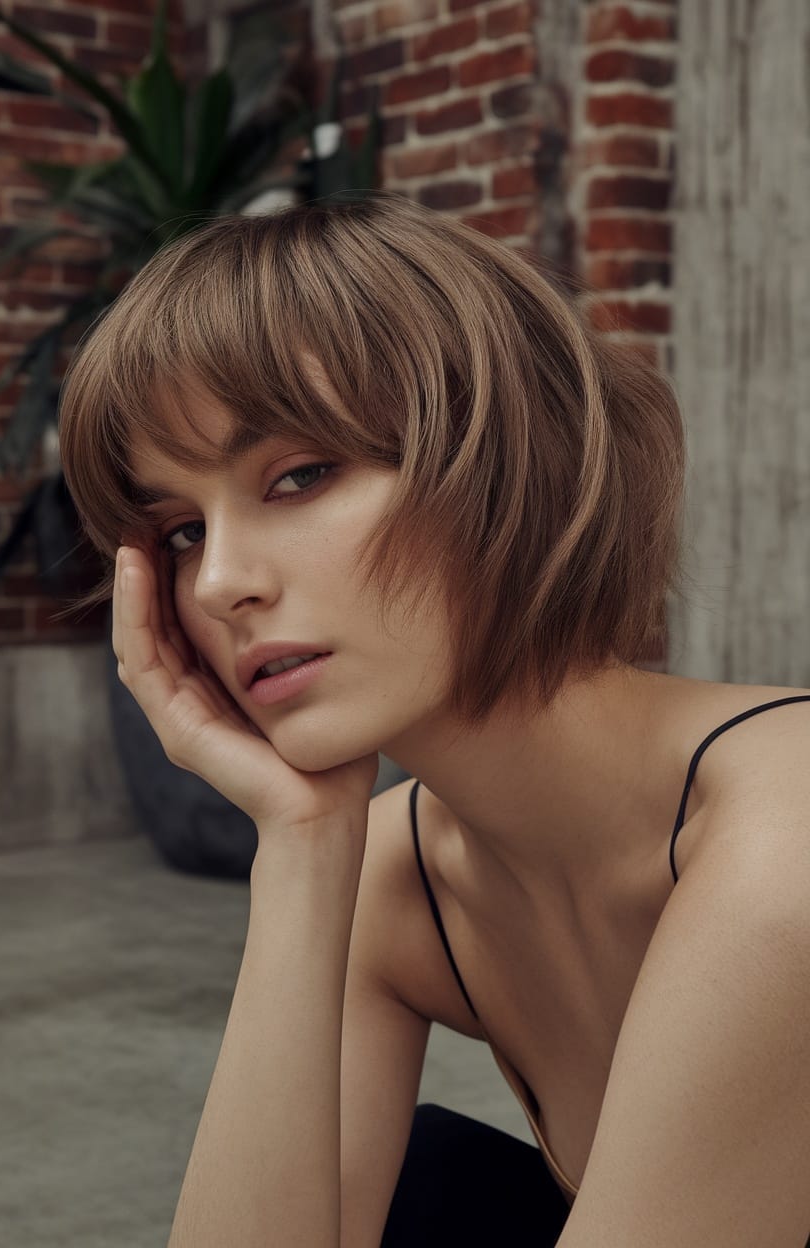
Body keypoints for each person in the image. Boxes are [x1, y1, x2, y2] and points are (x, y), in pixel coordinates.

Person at [58, 190, 810, 1248]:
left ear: (504, 460)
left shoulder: (784, 839)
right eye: (180, 531)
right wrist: (303, 844)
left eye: (301, 474)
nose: (221, 581)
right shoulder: (399, 880)